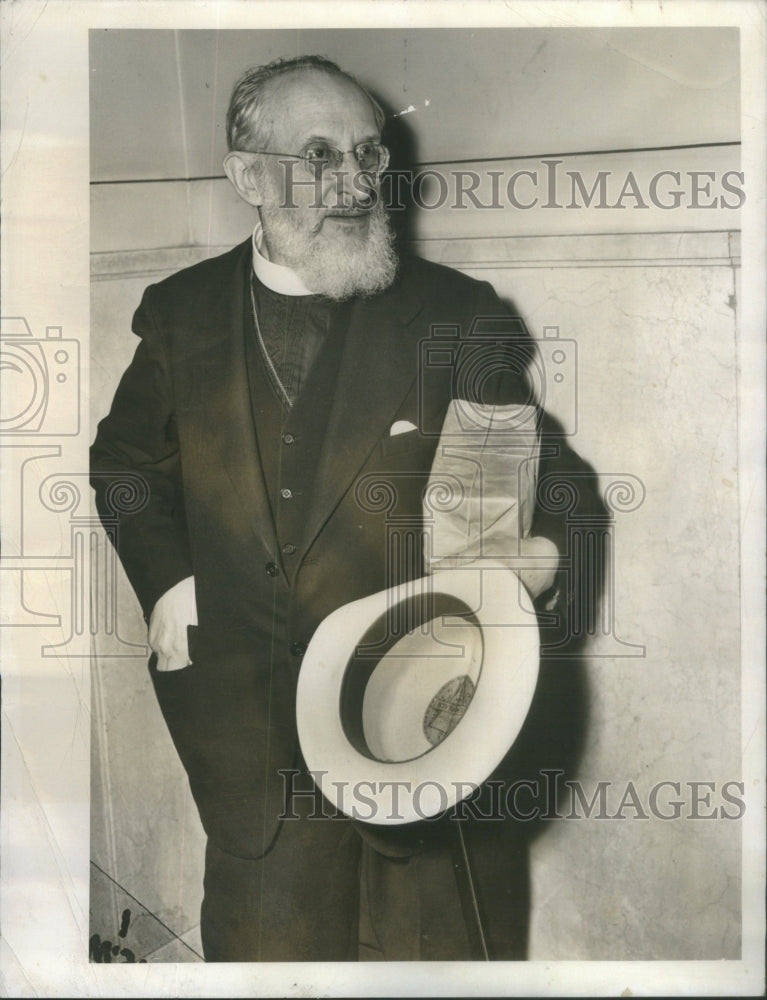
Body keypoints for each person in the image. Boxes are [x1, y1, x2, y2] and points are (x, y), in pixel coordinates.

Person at [90, 54, 567, 962]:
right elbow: (125, 463)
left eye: (369, 154)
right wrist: (168, 583)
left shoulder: (455, 317)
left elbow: (552, 474)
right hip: (249, 744)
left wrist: (540, 560)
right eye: (319, 156)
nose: (355, 183)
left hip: (417, 734)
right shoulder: (179, 313)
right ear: (246, 177)